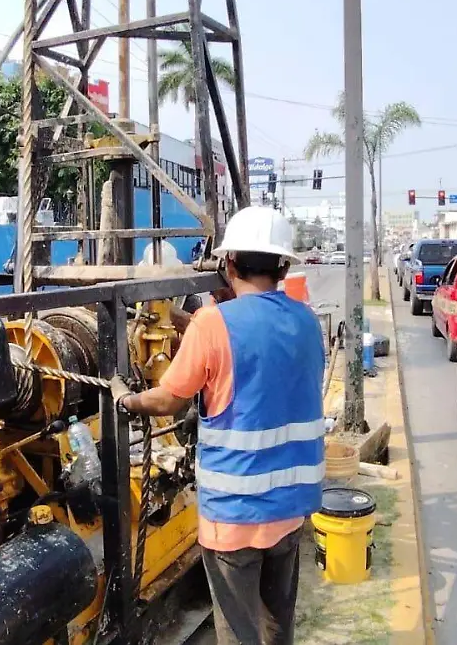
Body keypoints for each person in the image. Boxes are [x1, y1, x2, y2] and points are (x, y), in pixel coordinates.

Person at [109, 206, 326, 645]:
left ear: (227, 265)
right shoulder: (306, 320)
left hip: (235, 517)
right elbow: (273, 371)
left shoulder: (213, 324)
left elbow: (169, 397)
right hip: (290, 508)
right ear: (283, 266)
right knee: (277, 621)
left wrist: (124, 398)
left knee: (239, 632)